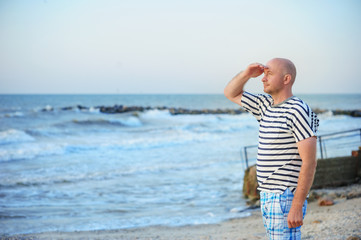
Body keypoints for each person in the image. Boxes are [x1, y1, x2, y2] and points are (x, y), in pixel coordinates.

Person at [224, 58, 319, 239]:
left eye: (269, 74)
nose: (263, 79)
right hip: (267, 194)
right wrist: (246, 74)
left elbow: (310, 162)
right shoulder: (264, 105)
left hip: (284, 196)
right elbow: (230, 93)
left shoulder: (297, 110)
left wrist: (297, 206)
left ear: (286, 79)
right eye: (263, 74)